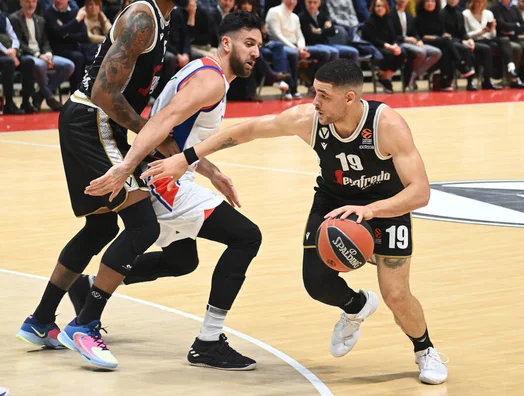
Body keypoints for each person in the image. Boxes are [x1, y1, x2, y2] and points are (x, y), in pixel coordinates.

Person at [87, 59, 449, 385]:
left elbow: (420, 192)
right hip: (334, 201)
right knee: (317, 284)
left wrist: (370, 212)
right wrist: (187, 158)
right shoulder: (308, 120)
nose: (315, 102)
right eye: (314, 93)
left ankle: (425, 350)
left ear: (350, 99)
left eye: (323, 96)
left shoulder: (387, 125)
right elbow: (245, 131)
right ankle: (355, 307)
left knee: (397, 295)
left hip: (385, 206)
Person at [75, 10, 264, 371]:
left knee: (182, 261)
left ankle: (89, 287)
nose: (255, 52)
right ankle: (208, 341)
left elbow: (180, 140)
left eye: (259, 45)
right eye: (248, 43)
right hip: (165, 182)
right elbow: (161, 123)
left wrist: (211, 171)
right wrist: (126, 167)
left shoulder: (203, 71)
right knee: (247, 237)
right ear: (227, 43)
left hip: (170, 174)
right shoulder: (211, 81)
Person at [16, 0, 174, 369]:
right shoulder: (141, 18)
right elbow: (105, 93)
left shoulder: (163, 18)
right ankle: (85, 324)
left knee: (100, 226)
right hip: (94, 120)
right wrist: (152, 135)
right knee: (142, 225)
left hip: (93, 121)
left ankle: (40, 320)